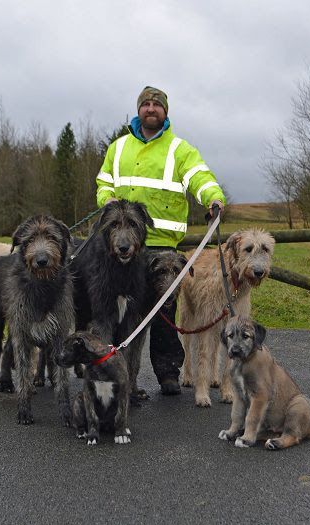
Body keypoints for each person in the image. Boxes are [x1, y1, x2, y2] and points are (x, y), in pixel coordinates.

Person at [95, 86, 226, 395]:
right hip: (123, 244)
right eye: (146, 104)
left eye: (156, 105)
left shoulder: (180, 149)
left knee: (164, 310)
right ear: (138, 110)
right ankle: (118, 371)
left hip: (163, 244)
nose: (150, 109)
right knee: (123, 310)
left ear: (165, 112)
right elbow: (103, 181)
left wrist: (213, 198)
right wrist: (107, 200)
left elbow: (200, 177)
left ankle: (168, 371)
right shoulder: (118, 148)